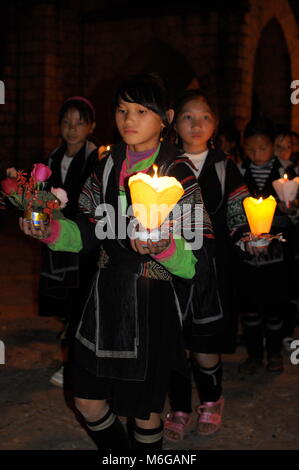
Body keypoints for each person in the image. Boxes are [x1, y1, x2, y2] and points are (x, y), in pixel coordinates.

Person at [19, 73, 215, 451]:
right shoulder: (106, 167)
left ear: (166, 118)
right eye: (123, 110)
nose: (129, 119)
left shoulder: (180, 174)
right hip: (105, 295)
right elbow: (87, 230)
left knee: (143, 412)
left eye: (141, 111)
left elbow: (195, 262)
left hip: (152, 299)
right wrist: (51, 232)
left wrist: (162, 247)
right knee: (87, 401)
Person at [164, 89, 252, 441]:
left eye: (204, 117)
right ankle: (181, 407)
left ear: (214, 124)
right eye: (188, 116)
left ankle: (212, 400)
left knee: (204, 343)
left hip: (211, 270)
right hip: (171, 265)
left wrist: (248, 234)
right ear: (173, 121)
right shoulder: (167, 164)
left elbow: (238, 209)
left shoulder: (222, 166)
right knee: (174, 343)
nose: (196, 124)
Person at [38, 96, 99, 387]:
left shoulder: (97, 158)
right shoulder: (52, 158)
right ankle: (71, 352)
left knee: (82, 301)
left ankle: (74, 364)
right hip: (57, 237)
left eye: (80, 123)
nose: (72, 129)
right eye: (66, 122)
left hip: (84, 241)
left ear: (91, 126)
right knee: (64, 300)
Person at [238, 117, 298, 374]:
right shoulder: (240, 172)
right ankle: (253, 355)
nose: (256, 154)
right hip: (248, 255)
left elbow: (295, 217)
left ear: (273, 146)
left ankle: (273, 353)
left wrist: (291, 210)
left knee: (275, 305)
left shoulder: (289, 173)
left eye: (262, 148)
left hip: (278, 253)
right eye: (251, 149)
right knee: (250, 306)